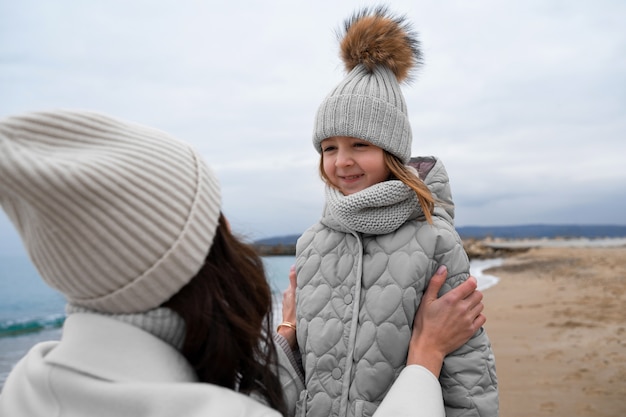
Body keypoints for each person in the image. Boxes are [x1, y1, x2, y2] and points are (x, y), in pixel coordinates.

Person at [0, 109, 485, 417]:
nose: (234, 233)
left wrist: (286, 339)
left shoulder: (25, 386)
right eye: (214, 223)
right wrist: (424, 360)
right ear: (190, 261)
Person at [289, 7, 499, 417]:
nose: (341, 161)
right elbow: (304, 375)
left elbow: (469, 372)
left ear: (392, 152)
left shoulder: (433, 237)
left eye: (360, 145)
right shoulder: (312, 242)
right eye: (329, 148)